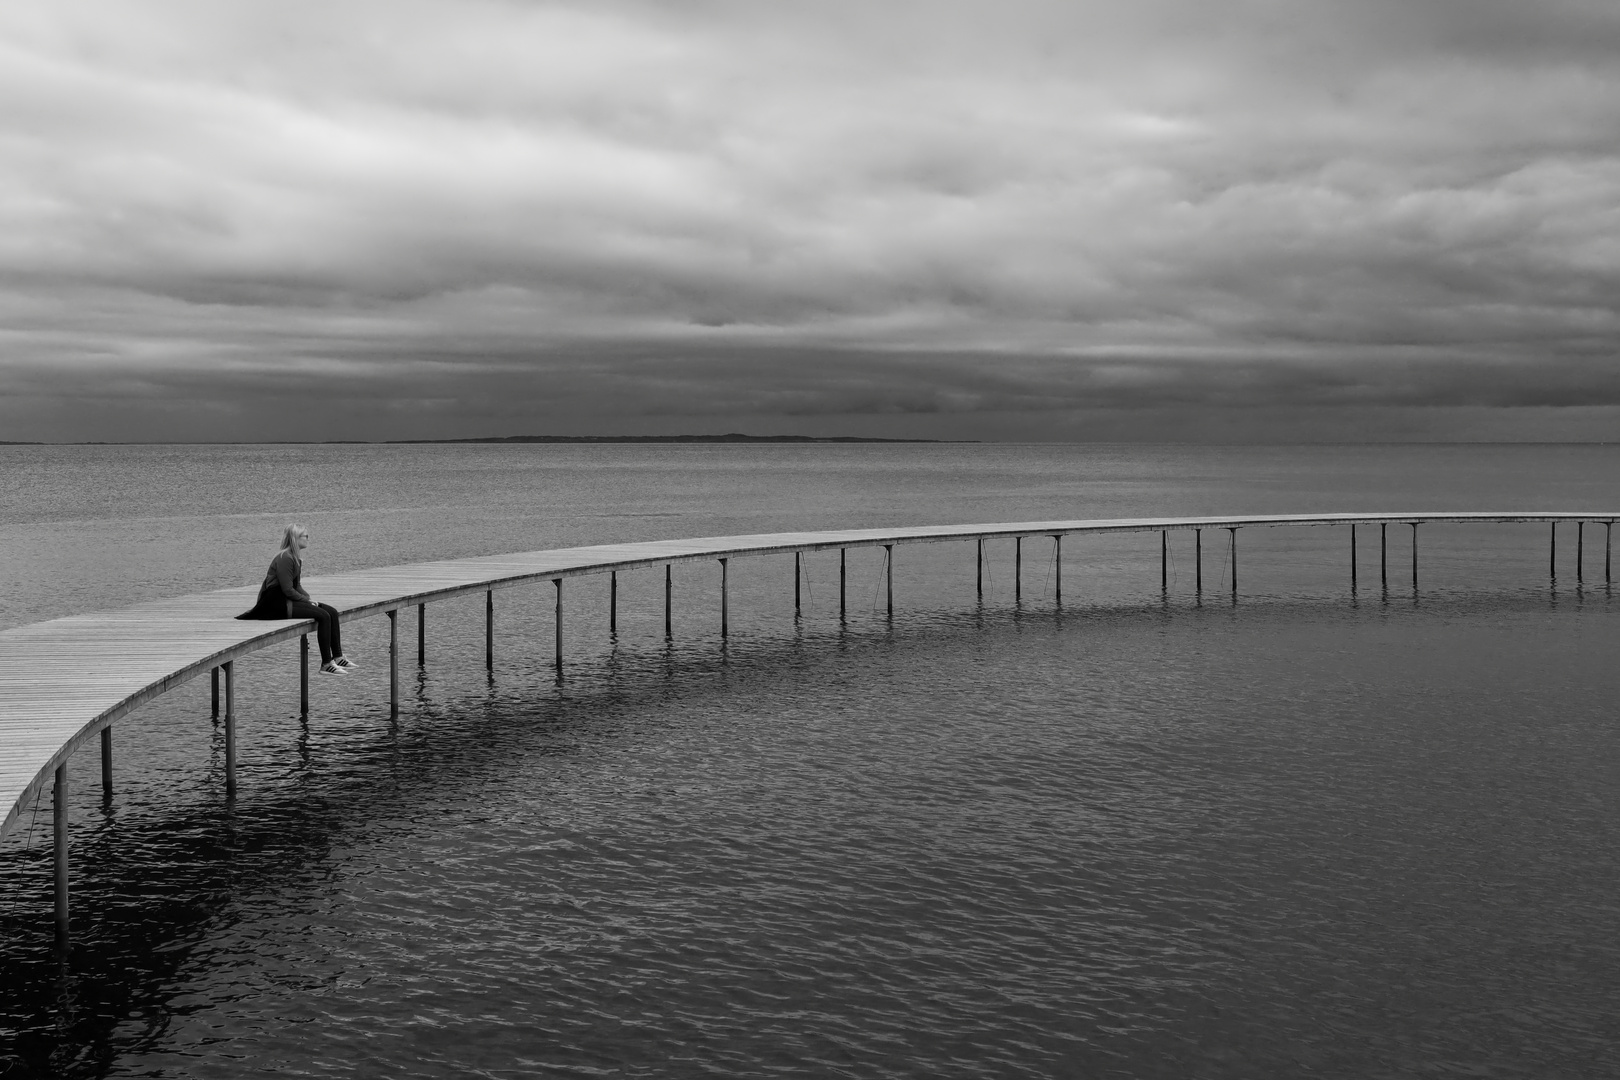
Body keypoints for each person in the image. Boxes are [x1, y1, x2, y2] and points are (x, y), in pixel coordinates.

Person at [237, 524, 357, 676]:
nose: (308, 538)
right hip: (275, 603)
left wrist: (307, 599)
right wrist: (305, 602)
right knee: (323, 616)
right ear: (295, 539)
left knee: (331, 611)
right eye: (305, 536)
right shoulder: (285, 558)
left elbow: (296, 585)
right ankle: (326, 663)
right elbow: (287, 589)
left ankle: (338, 657)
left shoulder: (296, 558)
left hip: (286, 599)